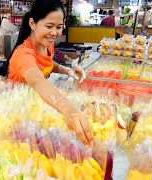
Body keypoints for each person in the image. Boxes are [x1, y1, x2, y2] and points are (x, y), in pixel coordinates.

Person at [7, 0, 94, 145]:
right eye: (49, 26)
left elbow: (47, 64)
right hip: (18, 119)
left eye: (59, 27)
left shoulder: (47, 45)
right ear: (32, 24)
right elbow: (37, 80)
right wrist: (67, 108)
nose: (54, 33)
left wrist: (65, 69)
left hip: (37, 109)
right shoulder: (23, 54)